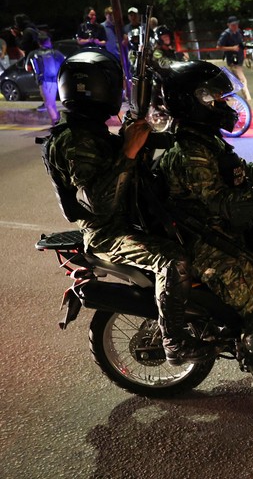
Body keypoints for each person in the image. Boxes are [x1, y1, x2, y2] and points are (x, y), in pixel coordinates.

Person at [156, 60, 253, 436]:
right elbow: (224, 202)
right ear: (194, 102)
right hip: (206, 241)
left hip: (227, 229)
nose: (225, 104)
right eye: (216, 98)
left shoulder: (204, 140)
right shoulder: (189, 152)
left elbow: (238, 174)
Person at [45, 49, 214, 365]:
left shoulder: (89, 131)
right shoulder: (74, 142)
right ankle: (174, 342)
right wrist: (129, 151)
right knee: (173, 260)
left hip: (131, 219)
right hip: (108, 233)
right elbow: (101, 203)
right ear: (98, 89)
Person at [30, 34, 65, 124]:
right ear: (48, 42)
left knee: (49, 104)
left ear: (39, 43)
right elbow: (65, 62)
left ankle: (56, 122)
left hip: (44, 81)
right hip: (56, 80)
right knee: (52, 103)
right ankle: (57, 121)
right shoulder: (55, 53)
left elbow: (28, 67)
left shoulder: (34, 54)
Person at [216, 16, 251, 101]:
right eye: (233, 25)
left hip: (239, 59)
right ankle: (247, 97)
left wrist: (245, 52)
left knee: (234, 80)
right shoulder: (226, 34)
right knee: (242, 80)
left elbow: (241, 44)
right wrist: (232, 48)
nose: (235, 26)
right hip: (232, 60)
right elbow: (218, 47)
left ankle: (225, 94)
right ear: (229, 25)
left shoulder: (238, 32)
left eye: (236, 24)